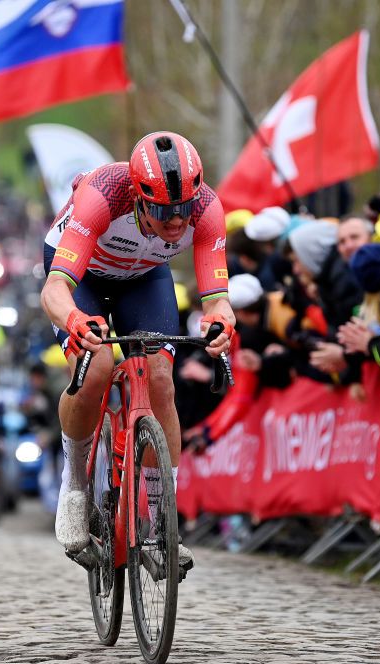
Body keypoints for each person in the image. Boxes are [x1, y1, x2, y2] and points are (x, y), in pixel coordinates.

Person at [39, 131, 234, 571]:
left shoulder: (207, 211)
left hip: (145, 277)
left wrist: (222, 323)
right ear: (139, 198)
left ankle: (161, 520)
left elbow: (218, 300)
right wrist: (74, 320)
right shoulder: (103, 195)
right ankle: (74, 485)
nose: (176, 223)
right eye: (164, 212)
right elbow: (54, 289)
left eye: (184, 210)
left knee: (161, 377)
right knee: (98, 366)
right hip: (81, 274)